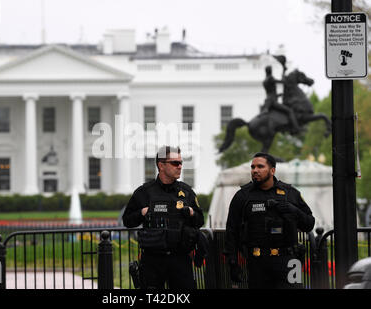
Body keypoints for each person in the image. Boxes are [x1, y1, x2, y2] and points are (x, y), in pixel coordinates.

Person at [224, 152, 315, 289]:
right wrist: (233, 262)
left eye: (260, 167)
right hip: (258, 262)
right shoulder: (243, 195)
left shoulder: (290, 193)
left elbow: (309, 224)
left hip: (290, 260)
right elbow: (232, 230)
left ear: (272, 170)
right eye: (253, 167)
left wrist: (294, 211)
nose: (255, 170)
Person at [122, 146, 204, 289]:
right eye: (175, 163)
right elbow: (127, 220)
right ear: (161, 165)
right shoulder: (144, 192)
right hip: (153, 260)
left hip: (180, 259)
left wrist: (191, 212)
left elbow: (200, 221)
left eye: (181, 162)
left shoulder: (186, 191)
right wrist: (142, 212)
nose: (180, 167)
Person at [261, 65, 301, 135]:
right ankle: (296, 128)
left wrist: (278, 95)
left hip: (268, 100)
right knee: (290, 111)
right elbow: (283, 82)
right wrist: (284, 72)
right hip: (273, 101)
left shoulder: (264, 81)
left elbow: (270, 92)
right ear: (270, 71)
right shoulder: (270, 78)